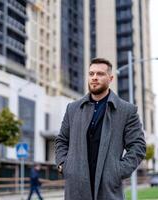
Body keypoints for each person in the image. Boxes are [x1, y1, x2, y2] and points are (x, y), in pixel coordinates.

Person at [55, 58, 146, 200]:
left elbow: (138, 146)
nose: (94, 78)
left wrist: (117, 171)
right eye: (91, 74)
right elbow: (61, 141)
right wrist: (64, 165)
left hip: (108, 190)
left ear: (110, 78)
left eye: (100, 74)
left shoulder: (127, 111)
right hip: (76, 189)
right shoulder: (73, 108)